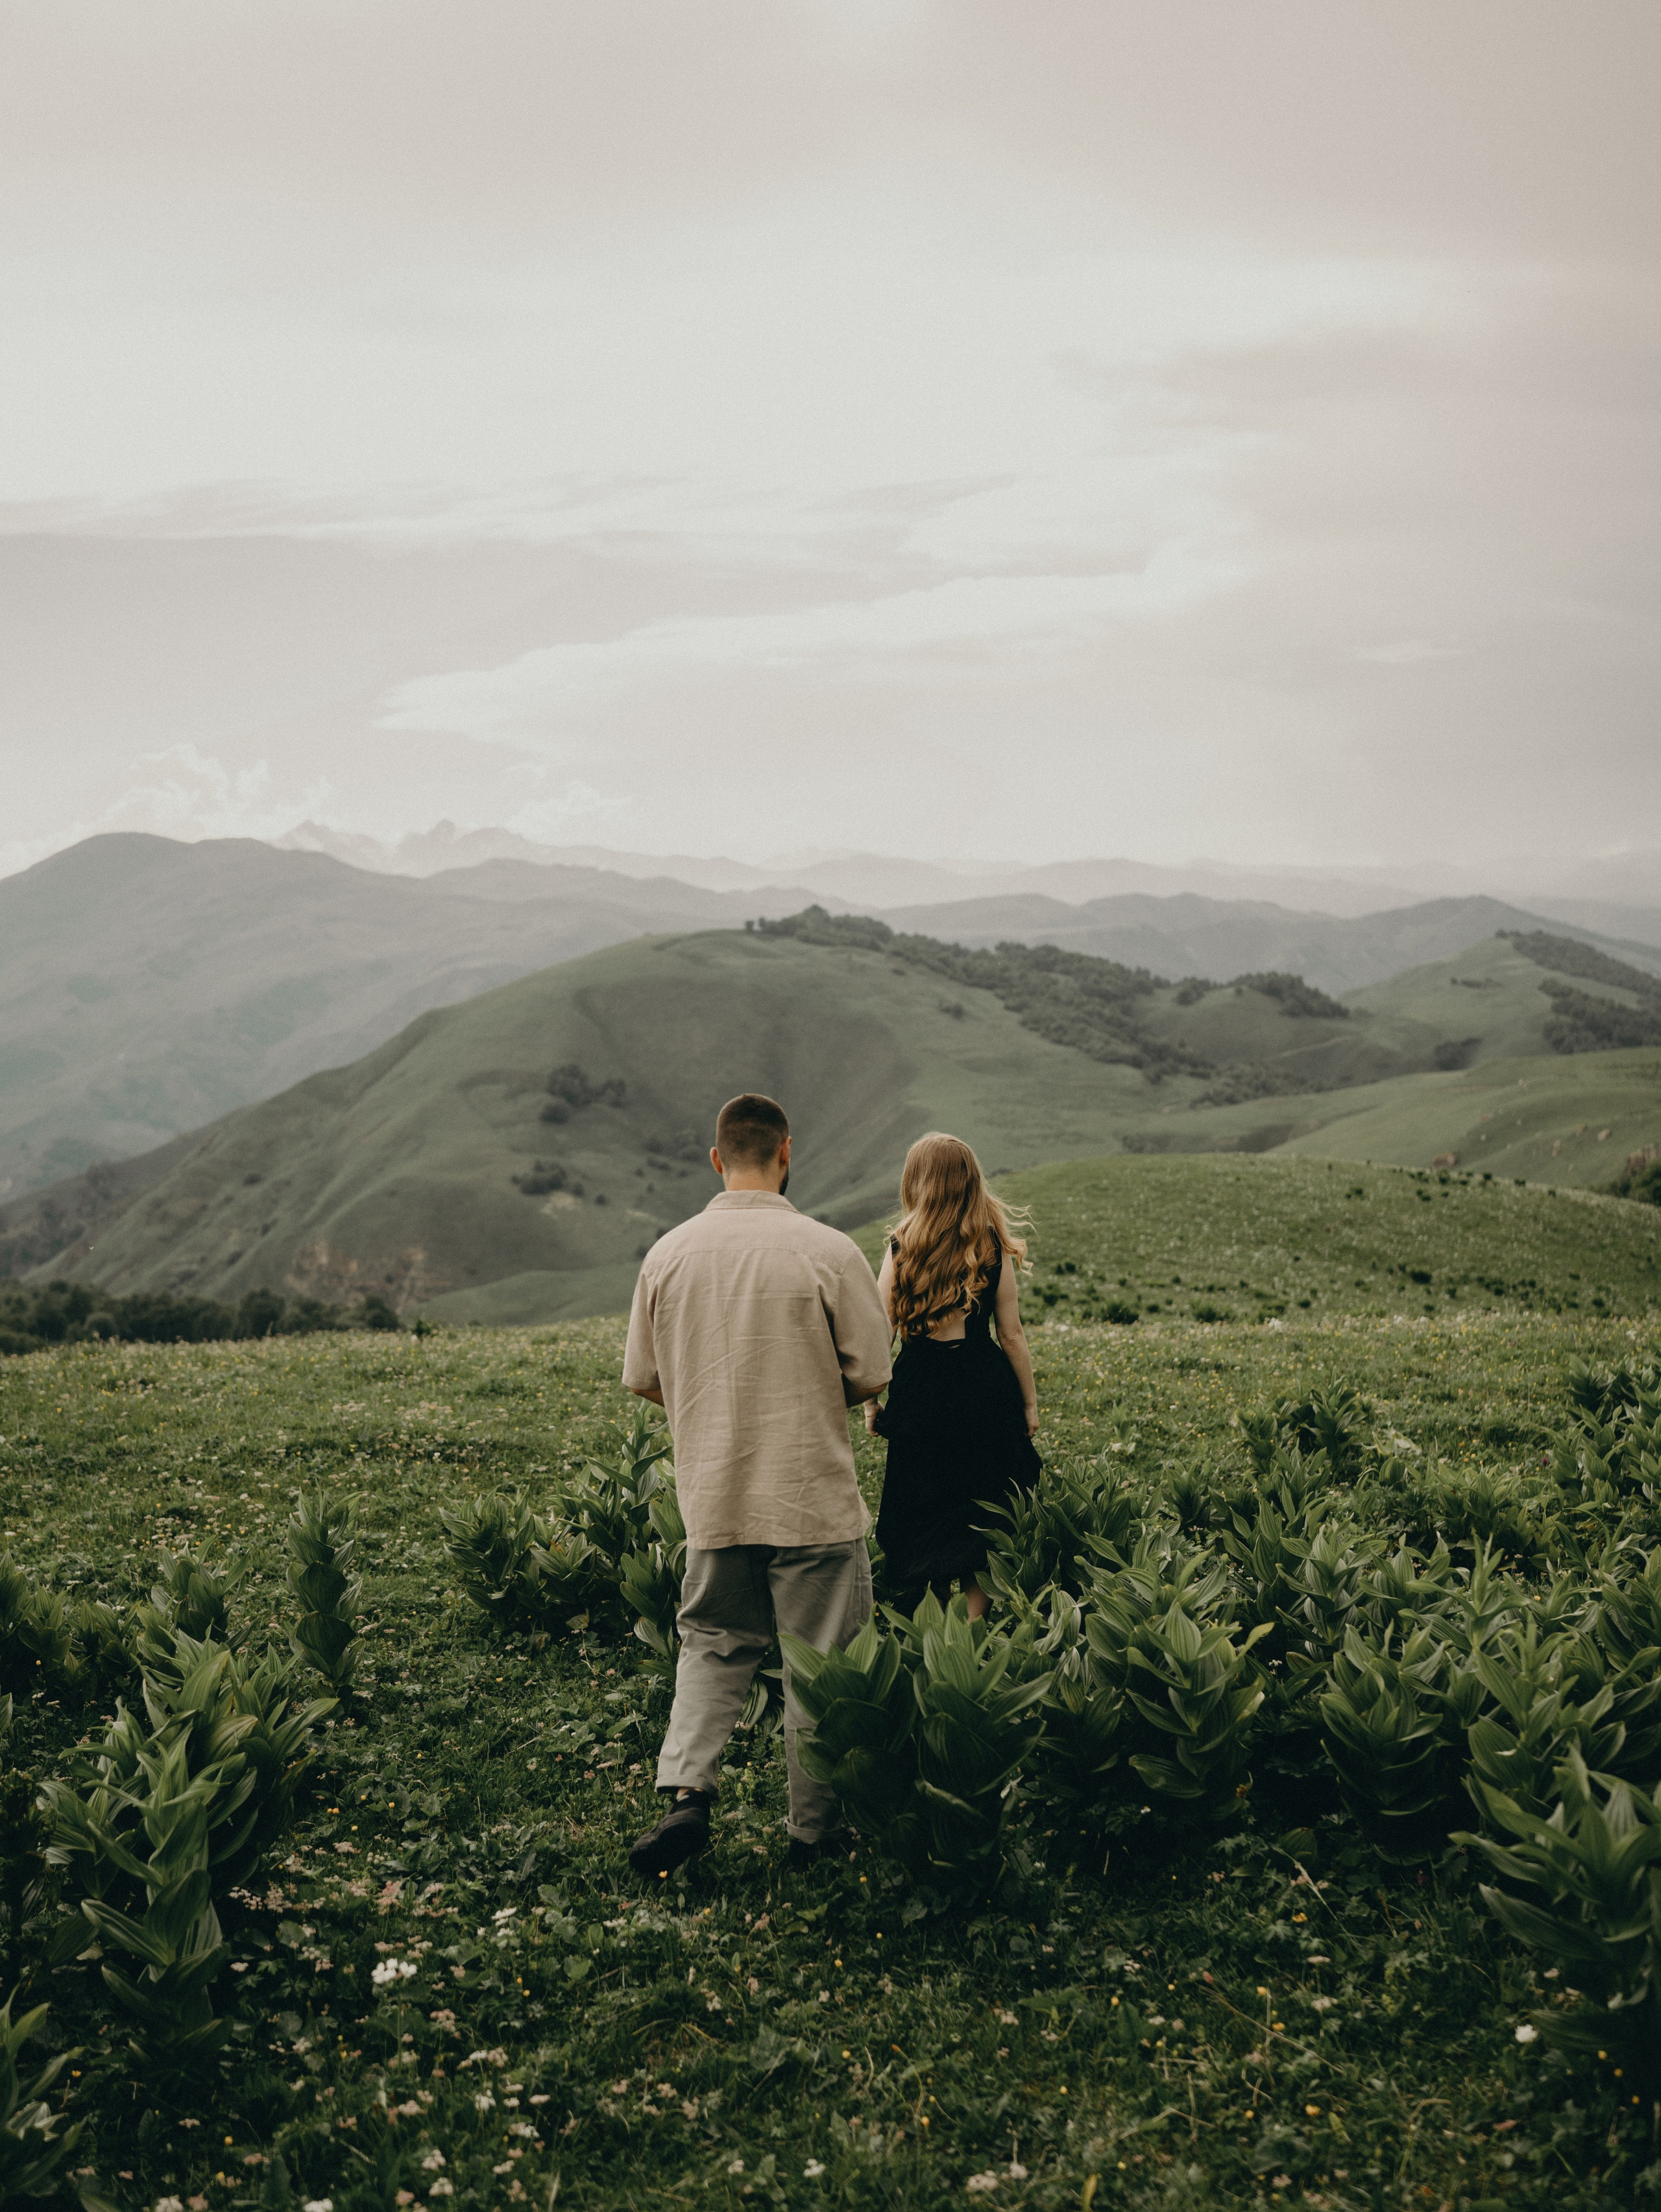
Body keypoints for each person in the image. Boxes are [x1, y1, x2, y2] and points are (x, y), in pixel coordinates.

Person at [622, 1091, 892, 1878]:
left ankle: (686, 1795)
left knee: (710, 1642)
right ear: (786, 1152)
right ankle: (814, 1836)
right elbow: (873, 1371)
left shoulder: (668, 1253)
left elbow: (644, 1376)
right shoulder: (827, 1249)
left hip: (715, 1493)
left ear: (717, 1158)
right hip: (809, 1494)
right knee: (820, 1660)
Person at [867, 1132, 1040, 1618]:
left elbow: (880, 1329)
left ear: (915, 1182)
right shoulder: (990, 1244)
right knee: (981, 1498)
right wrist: (1028, 1402)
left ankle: (932, 1617)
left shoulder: (902, 1244)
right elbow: (1011, 1334)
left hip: (919, 1386)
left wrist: (871, 1401)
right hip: (982, 1384)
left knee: (924, 1497)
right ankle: (975, 1622)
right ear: (970, 1182)